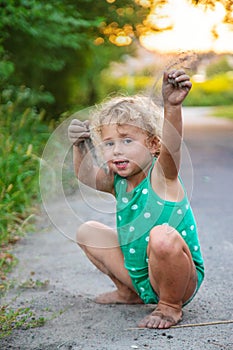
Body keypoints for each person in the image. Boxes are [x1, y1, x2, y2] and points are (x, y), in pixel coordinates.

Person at [68, 69, 204, 329]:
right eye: (108, 144)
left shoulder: (162, 175)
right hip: (140, 276)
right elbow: (87, 176)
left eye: (127, 140)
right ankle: (128, 292)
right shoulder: (118, 182)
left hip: (180, 279)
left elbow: (173, 148)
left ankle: (169, 307)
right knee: (88, 231)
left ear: (153, 144)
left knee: (162, 236)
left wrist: (172, 106)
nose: (117, 150)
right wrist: (79, 145)